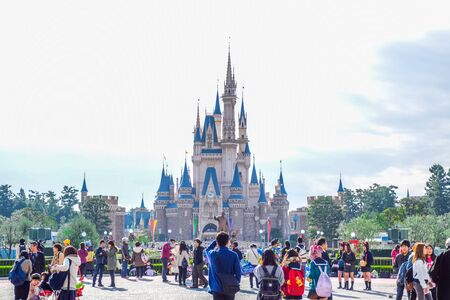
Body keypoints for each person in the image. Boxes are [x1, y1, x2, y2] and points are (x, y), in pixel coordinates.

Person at [205, 231, 242, 300]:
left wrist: (215, 241)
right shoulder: (233, 255)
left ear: (217, 242)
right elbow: (238, 272)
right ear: (228, 242)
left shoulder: (212, 254)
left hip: (216, 287)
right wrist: (235, 283)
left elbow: (207, 249)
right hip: (230, 287)